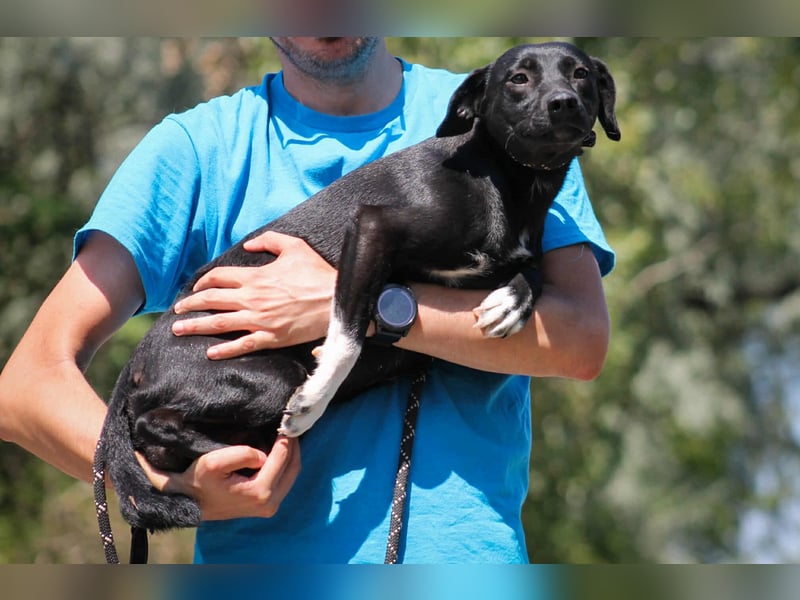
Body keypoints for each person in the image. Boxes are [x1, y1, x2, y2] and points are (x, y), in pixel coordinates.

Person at [0, 37, 614, 563]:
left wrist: (359, 305)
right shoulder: (201, 148)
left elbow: (580, 343)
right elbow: (23, 388)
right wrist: (166, 480)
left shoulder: (518, 112)